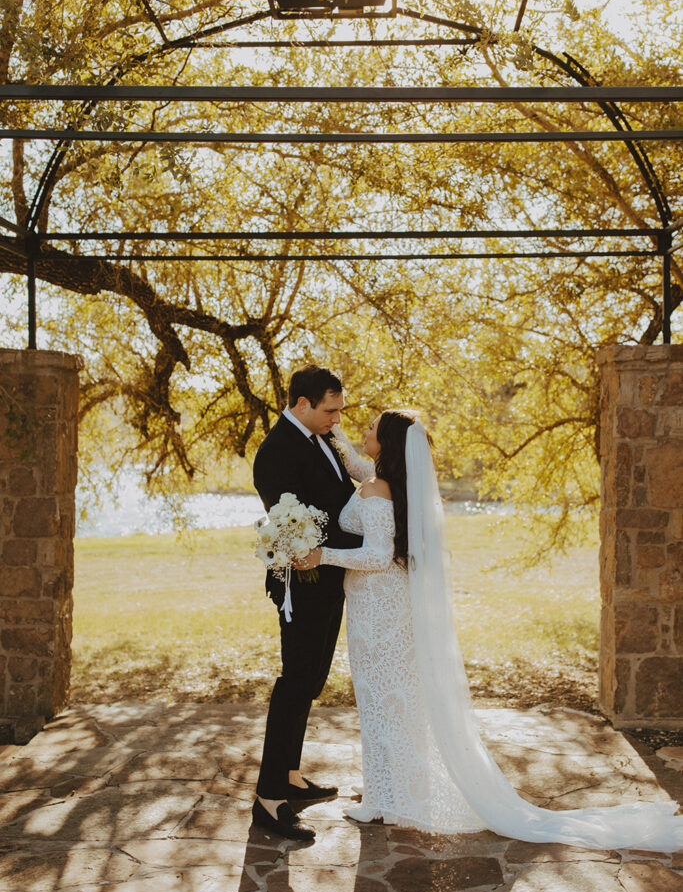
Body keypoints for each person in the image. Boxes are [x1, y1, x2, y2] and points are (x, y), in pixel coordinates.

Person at [296, 409, 683, 851]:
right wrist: (336, 430)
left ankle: (386, 799)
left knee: (387, 701)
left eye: (371, 429)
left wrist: (321, 555)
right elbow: (354, 464)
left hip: (383, 611)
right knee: (385, 700)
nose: (363, 431)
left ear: (387, 444)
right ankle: (386, 795)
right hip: (376, 608)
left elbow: (380, 554)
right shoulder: (383, 479)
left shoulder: (380, 488)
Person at [251, 364, 362, 841]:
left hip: (328, 580)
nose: (337, 418)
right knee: (295, 682)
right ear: (301, 404)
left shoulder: (321, 439)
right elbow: (291, 522)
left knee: (311, 681)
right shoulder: (277, 450)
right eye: (330, 409)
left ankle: (291, 778)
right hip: (303, 585)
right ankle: (268, 798)